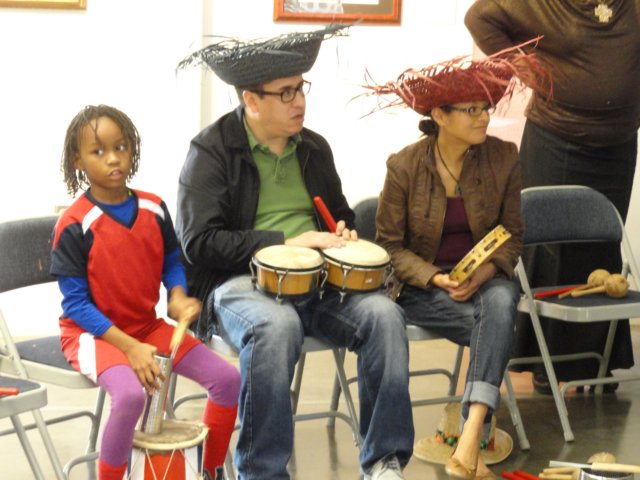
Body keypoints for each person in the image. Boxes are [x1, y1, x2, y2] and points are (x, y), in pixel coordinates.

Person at [175, 26, 414, 480]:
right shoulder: (211, 151)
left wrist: (342, 230)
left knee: (384, 316)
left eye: (301, 88)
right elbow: (199, 242)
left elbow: (340, 214)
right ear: (251, 100)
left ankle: (384, 462)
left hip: (318, 281)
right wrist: (282, 243)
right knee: (276, 324)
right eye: (285, 93)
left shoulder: (315, 148)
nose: (299, 101)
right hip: (238, 283)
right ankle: (262, 472)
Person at [367, 46, 550, 479]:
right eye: (471, 110)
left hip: (485, 284)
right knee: (499, 326)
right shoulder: (404, 166)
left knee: (501, 299)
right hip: (421, 289)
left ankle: (468, 436)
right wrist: (436, 277)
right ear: (440, 116)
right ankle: (474, 441)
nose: (484, 117)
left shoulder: (503, 157)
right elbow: (389, 248)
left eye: (486, 108)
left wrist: (484, 272)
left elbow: (512, 235)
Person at [50, 105, 240, 480]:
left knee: (227, 380)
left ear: (132, 149)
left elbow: (171, 260)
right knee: (130, 396)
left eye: (120, 147)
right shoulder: (74, 224)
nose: (113, 158)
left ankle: (209, 470)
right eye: (98, 151)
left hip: (147, 327)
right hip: (90, 336)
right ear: (77, 160)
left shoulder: (153, 207)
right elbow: (76, 305)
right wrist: (130, 347)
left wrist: (177, 294)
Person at [465, 0, 639, 394]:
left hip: (617, 144)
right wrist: (517, 63)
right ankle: (546, 364)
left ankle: (596, 362)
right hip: (556, 139)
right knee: (552, 254)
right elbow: (480, 16)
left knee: (602, 250)